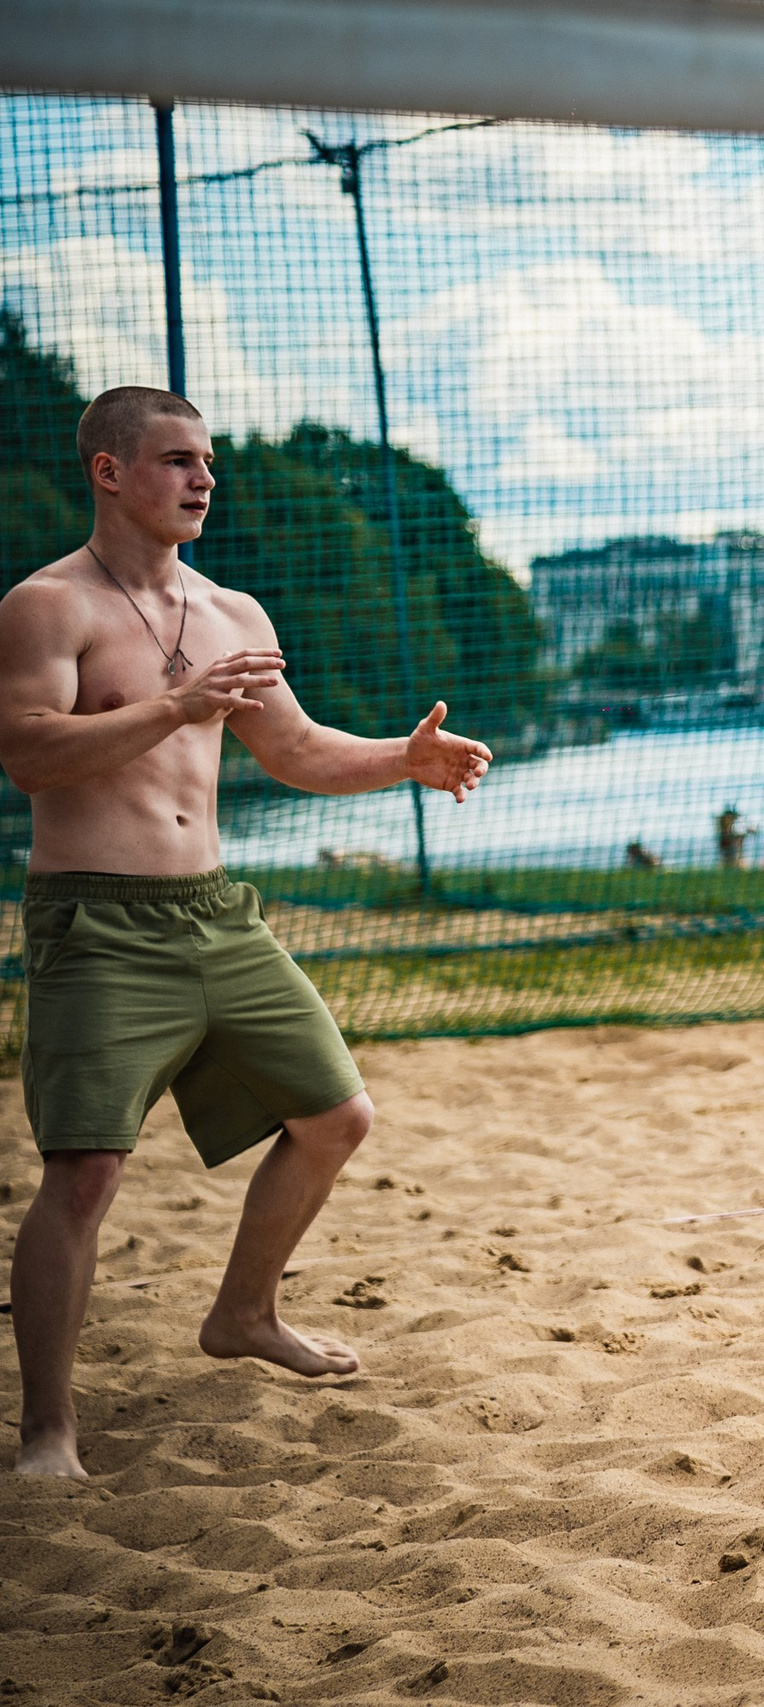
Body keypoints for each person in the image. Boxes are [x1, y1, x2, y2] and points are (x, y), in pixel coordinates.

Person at [0, 387, 491, 1479]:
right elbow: (29, 753)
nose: (203, 479)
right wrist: (173, 711)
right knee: (84, 1174)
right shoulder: (47, 605)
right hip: (95, 919)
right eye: (177, 460)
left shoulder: (237, 616)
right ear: (109, 472)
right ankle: (47, 1432)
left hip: (214, 913)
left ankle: (244, 1315)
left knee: (336, 1118)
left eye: (207, 462)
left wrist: (402, 762)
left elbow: (299, 752)